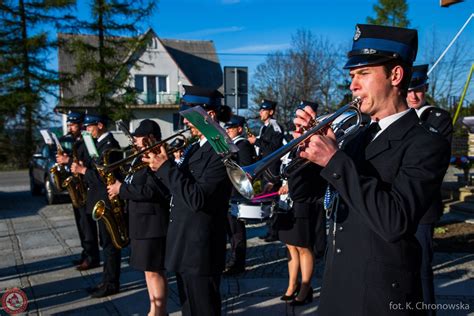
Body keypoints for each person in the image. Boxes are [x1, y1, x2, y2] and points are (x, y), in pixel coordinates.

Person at [294, 24, 451, 315]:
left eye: (363, 74)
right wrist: (303, 153)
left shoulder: (425, 142)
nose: (352, 85)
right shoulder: (355, 137)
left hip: (379, 298)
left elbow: (395, 221)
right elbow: (305, 194)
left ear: (395, 75)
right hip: (337, 289)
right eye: (353, 75)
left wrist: (333, 160)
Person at [143, 85, 232, 316]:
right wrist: (158, 166)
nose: (185, 123)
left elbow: (197, 199)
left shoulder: (222, 147)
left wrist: (166, 168)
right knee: (188, 309)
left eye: (189, 116)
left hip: (201, 248)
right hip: (184, 244)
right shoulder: (195, 148)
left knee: (203, 310)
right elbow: (178, 188)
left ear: (209, 115)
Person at [107, 119, 170, 316]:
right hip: (140, 222)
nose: (135, 139)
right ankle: (154, 308)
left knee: (154, 270)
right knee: (147, 270)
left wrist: (121, 189)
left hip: (152, 223)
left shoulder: (157, 158)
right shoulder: (138, 158)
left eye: (139, 136)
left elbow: (153, 191)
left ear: (150, 138)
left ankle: (158, 312)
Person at [407, 64, 453, 315]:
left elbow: (435, 160)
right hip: (396, 206)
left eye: (419, 90)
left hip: (423, 207)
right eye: (409, 91)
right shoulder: (395, 118)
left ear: (426, 90)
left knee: (422, 267)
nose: (414, 96)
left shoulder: (437, 118)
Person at [277, 100, 326, 306]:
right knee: (291, 247)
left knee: (304, 247)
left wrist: (291, 183)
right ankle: (292, 285)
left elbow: (313, 175)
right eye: (296, 124)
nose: (297, 128)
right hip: (289, 202)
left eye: (301, 124)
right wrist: (283, 182)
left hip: (305, 201)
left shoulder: (316, 142)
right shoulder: (292, 144)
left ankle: (306, 287)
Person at [71, 113, 123, 298]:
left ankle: (111, 284)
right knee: (105, 243)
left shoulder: (110, 146)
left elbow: (104, 177)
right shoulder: (98, 144)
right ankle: (106, 280)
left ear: (100, 125)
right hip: (99, 199)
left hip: (106, 200)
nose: (86, 130)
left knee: (110, 244)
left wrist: (83, 170)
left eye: (89, 126)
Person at [56, 111, 98, 268]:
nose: (70, 128)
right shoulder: (75, 141)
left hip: (86, 188)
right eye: (68, 125)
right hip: (77, 187)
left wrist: (69, 161)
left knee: (87, 226)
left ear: (81, 125)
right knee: (81, 224)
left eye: (73, 125)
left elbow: (91, 160)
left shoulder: (87, 140)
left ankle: (92, 257)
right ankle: (85, 253)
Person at [223, 115, 257, 275]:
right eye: (227, 127)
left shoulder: (242, 145)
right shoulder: (231, 144)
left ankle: (238, 263)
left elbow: (244, 169)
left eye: (231, 127)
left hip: (235, 192)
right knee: (231, 231)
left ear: (239, 129)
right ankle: (233, 260)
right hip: (228, 193)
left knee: (236, 231)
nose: (228, 130)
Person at [248, 99, 284, 242]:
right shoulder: (264, 127)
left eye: (263, 110)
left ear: (271, 112)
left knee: (272, 202)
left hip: (272, 170)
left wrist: (256, 141)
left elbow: (274, 148)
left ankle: (274, 231)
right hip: (265, 168)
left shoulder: (275, 127)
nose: (260, 113)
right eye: (260, 110)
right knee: (267, 200)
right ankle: (270, 230)